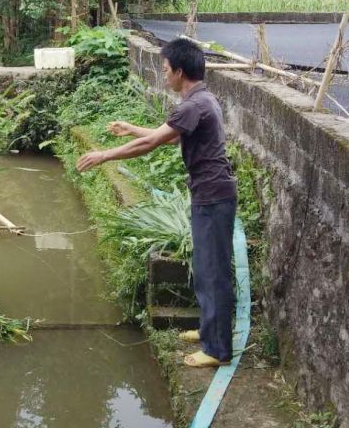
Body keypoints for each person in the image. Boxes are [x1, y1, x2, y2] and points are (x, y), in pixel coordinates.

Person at [76, 37, 237, 367]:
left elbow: (151, 144)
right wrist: (130, 128)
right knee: (206, 270)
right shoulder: (201, 99)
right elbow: (169, 134)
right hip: (209, 194)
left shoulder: (194, 105)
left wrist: (105, 154)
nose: (163, 75)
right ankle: (210, 332)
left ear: (180, 71)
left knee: (212, 272)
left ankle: (217, 350)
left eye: (165, 70)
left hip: (212, 196)